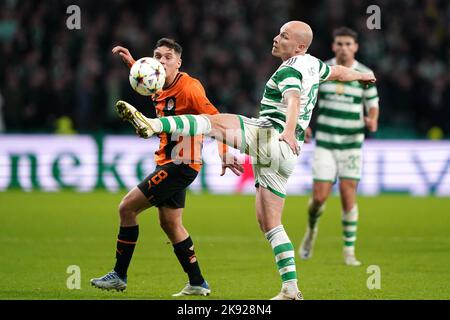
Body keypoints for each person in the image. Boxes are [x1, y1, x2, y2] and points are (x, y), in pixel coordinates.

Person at [115, 21, 376, 300]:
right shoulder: (314, 64)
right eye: (278, 33)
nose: (276, 38)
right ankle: (290, 289)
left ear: (299, 46)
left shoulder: (291, 69)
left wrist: (287, 130)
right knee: (270, 223)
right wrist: (362, 76)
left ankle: (152, 126)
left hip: (272, 137)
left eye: (284, 36)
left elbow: (293, 99)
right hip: (287, 155)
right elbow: (336, 72)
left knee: (213, 123)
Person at [90, 38, 243, 296]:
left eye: (167, 57)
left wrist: (225, 153)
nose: (161, 61)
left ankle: (119, 275)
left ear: (178, 62)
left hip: (182, 163)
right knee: (170, 224)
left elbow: (217, 121)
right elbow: (146, 76)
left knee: (127, 208)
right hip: (169, 160)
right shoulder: (157, 84)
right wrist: (131, 63)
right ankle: (198, 282)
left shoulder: (191, 88)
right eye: (157, 56)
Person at [298, 27, 379, 266]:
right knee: (319, 198)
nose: (344, 48)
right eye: (340, 44)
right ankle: (311, 231)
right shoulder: (323, 70)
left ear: (356, 47)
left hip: (352, 143)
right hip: (326, 142)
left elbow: (372, 103)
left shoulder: (365, 73)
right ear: (334, 46)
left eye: (348, 44)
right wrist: (305, 124)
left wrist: (372, 118)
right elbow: (307, 99)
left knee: (347, 194)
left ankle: (349, 252)